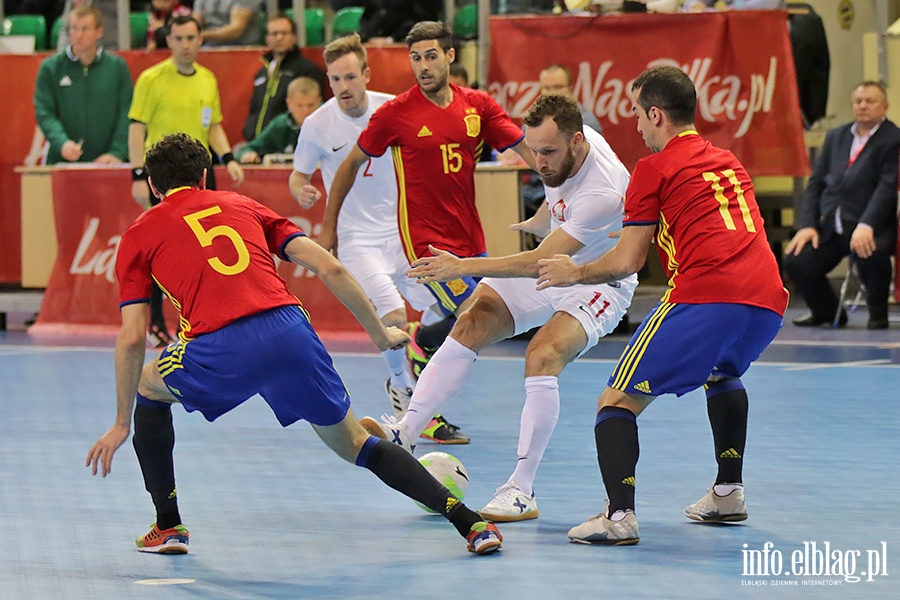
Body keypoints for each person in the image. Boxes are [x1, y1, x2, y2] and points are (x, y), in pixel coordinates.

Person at [84, 132, 503, 557]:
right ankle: (471, 524)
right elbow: (330, 266)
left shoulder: (140, 232)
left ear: (154, 187)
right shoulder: (244, 205)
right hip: (290, 332)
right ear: (206, 176)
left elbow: (134, 335)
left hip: (220, 344)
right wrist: (381, 335)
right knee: (357, 444)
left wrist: (122, 422)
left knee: (149, 388)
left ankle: (168, 526)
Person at [536, 66, 788, 545]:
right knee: (721, 371)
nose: (635, 125)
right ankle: (728, 491)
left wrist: (575, 271)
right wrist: (643, 227)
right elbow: (710, 222)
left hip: (706, 296)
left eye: (637, 113)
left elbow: (626, 262)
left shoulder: (651, 167)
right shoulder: (727, 160)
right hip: (767, 300)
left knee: (614, 402)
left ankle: (619, 516)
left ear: (656, 114)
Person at [389, 93, 636, 522]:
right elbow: (557, 195)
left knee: (541, 355)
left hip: (596, 283)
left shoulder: (604, 191)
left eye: (548, 152)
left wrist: (460, 265)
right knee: (473, 317)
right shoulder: (563, 149)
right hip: (554, 270)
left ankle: (521, 490)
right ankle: (405, 432)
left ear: (578, 141)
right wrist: (545, 215)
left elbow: (536, 260)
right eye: (533, 149)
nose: (538, 161)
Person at [327, 22, 536, 442]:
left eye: (431, 56)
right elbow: (349, 165)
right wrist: (330, 232)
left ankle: (422, 349)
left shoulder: (478, 107)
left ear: (450, 56)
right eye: (416, 58)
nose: (423, 66)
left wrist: (565, 181)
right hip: (424, 241)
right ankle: (422, 385)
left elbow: (525, 148)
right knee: (474, 314)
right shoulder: (395, 114)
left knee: (481, 318)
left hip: (471, 241)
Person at [289, 33, 465, 443]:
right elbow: (299, 174)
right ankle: (402, 387)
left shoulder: (394, 108)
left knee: (446, 315)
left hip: (404, 234)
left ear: (366, 74)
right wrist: (301, 189)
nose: (344, 87)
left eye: (351, 77)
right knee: (393, 316)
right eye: (335, 80)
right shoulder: (317, 124)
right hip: (357, 239)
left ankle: (419, 375)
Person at [129, 15, 245, 347]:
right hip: (164, 179)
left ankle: (211, 320)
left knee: (208, 250)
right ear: (169, 41)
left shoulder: (207, 79)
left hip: (201, 175)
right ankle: (155, 322)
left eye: (191, 37)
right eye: (179, 38)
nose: (185, 44)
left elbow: (213, 126)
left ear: (199, 40)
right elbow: (136, 128)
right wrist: (138, 174)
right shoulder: (152, 79)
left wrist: (229, 158)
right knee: (160, 251)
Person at [783, 81, 899, 330]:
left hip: (871, 225)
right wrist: (808, 225)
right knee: (796, 259)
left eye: (870, 101)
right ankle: (826, 311)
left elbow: (887, 187)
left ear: (885, 106)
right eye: (858, 102)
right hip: (833, 226)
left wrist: (867, 225)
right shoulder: (836, 136)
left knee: (870, 251)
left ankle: (877, 315)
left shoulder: (894, 138)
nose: (863, 106)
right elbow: (815, 184)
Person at [34, 6, 131, 165]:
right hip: (62, 162)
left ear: (99, 32)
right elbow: (44, 112)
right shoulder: (50, 68)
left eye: (85, 29)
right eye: (73, 28)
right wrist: (62, 142)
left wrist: (117, 152)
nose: (78, 35)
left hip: (108, 162)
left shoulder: (117, 67)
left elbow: (126, 112)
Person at [243, 13, 327, 142]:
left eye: (284, 33)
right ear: (267, 38)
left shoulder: (308, 70)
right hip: (256, 144)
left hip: (286, 145)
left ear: (294, 37)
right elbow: (254, 108)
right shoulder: (261, 73)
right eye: (274, 33)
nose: (279, 38)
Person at [237, 76, 322, 164]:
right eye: (300, 106)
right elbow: (247, 149)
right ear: (289, 103)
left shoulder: (331, 121)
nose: (306, 111)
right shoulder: (280, 125)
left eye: (311, 105)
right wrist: (248, 155)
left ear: (319, 101)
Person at [538, 64, 602, 134]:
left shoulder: (587, 123)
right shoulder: (532, 122)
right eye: (547, 88)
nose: (552, 93)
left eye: (558, 87)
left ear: (570, 89)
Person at [193, 0, 262, 47]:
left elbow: (236, 31)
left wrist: (199, 35)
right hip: (208, 46)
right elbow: (196, 23)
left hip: (241, 48)